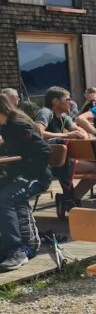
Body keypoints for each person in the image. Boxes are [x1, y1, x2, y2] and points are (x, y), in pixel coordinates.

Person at [0, 94, 51, 271]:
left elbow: (44, 151)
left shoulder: (19, 125)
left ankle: (17, 250)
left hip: (35, 177)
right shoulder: (5, 126)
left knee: (5, 199)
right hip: (16, 174)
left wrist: (25, 171)